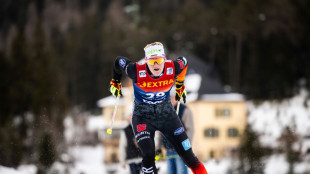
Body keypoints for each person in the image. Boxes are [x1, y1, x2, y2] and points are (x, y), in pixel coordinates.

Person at [109, 42, 208, 174]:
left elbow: (184, 62)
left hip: (166, 115)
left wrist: (179, 84)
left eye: (159, 60)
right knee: (149, 155)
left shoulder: (172, 67)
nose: (156, 65)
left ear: (164, 59)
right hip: (143, 117)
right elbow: (118, 61)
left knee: (189, 156)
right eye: (152, 61)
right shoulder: (136, 70)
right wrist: (115, 81)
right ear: (146, 62)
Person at [161, 90, 194, 174]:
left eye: (172, 97)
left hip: (180, 150)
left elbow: (190, 129)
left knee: (181, 172)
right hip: (168, 149)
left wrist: (186, 146)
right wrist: (158, 146)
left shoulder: (184, 110)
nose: (170, 100)